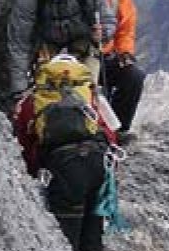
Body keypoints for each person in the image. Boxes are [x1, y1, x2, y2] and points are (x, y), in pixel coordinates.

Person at [13, 54, 118, 251]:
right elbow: (111, 135)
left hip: (63, 169)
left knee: (66, 239)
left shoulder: (33, 100)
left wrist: (36, 172)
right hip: (97, 165)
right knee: (92, 238)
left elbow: (24, 145)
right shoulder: (91, 95)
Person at [3, 0, 116, 114]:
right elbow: (19, 43)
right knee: (48, 93)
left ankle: (100, 129)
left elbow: (108, 20)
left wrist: (103, 34)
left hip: (83, 47)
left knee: (87, 92)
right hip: (48, 49)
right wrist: (20, 91)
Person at [92, 0, 146, 145]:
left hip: (107, 56)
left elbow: (125, 29)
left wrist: (125, 53)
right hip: (83, 56)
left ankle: (118, 129)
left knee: (133, 76)